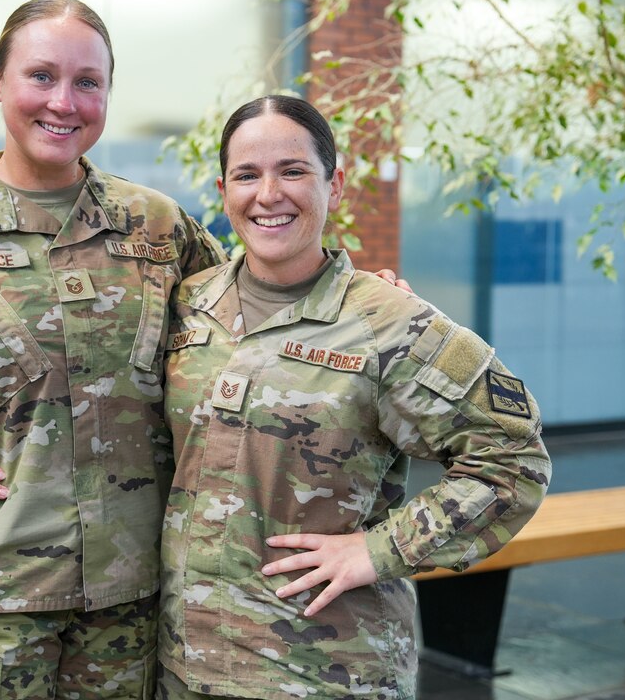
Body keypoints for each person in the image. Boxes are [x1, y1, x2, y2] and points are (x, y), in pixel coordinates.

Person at [0, 0, 407, 699]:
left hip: (130, 609)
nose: (63, 102)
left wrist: (349, 298)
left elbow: (248, 311)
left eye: (87, 82)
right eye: (41, 76)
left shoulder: (157, 229)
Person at [157, 95, 552, 700]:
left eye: (293, 171)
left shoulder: (389, 322)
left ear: (333, 185)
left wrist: (379, 549)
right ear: (223, 188)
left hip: (323, 671)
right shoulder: (188, 305)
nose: (269, 193)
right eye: (247, 174)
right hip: (186, 663)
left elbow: (513, 459)